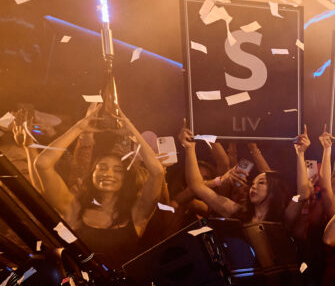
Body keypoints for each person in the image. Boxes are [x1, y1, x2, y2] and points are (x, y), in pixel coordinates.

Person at [34, 105, 166, 267]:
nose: (108, 173)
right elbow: (42, 163)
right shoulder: (74, 208)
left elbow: (157, 172)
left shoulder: (136, 213)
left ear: (125, 178)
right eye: (102, 168)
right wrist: (80, 128)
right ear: (92, 175)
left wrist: (131, 129)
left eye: (117, 170)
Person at [179, 121, 304, 228]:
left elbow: (303, 194)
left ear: (275, 190)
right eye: (253, 183)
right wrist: (189, 148)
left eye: (261, 182)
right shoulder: (237, 212)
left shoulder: (283, 219)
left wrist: (301, 153)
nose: (253, 186)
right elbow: (196, 185)